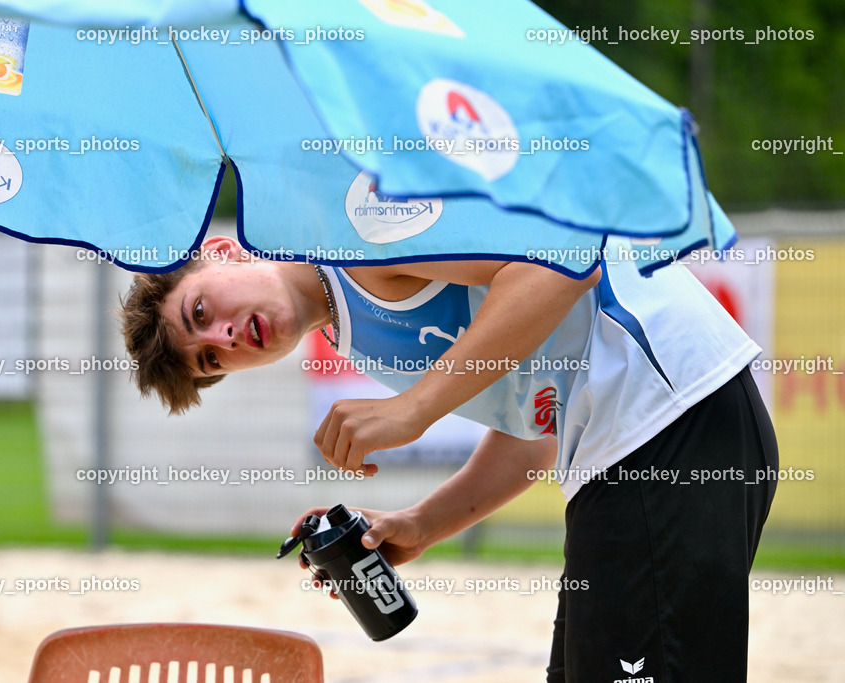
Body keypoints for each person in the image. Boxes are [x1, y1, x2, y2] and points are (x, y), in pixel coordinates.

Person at [120, 234, 777, 682]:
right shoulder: (350, 326)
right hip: (627, 444)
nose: (224, 336)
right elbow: (535, 425)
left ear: (222, 251)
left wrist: (416, 408)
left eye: (201, 309)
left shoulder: (354, 231)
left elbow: (563, 259)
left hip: (666, 418)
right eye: (210, 356)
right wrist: (423, 523)